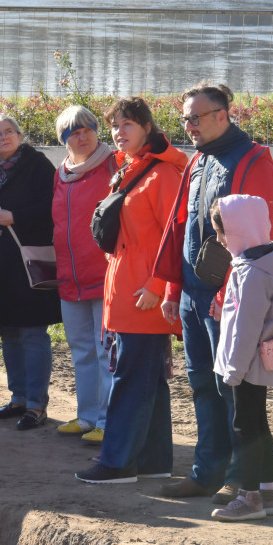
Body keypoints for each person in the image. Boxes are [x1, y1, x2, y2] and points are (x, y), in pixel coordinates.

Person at [155, 82, 273, 503]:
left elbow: (256, 237)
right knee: (201, 383)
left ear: (222, 115)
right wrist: (173, 285)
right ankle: (205, 472)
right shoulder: (198, 160)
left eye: (196, 117)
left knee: (233, 388)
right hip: (193, 293)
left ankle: (239, 477)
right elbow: (181, 226)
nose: (188, 125)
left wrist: (228, 291)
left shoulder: (253, 160)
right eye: (185, 118)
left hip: (227, 294)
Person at [76, 96, 187, 484]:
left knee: (129, 378)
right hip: (128, 289)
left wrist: (158, 286)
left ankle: (117, 462)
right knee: (148, 380)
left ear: (147, 127)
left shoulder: (163, 174)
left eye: (126, 125)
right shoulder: (132, 168)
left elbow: (177, 237)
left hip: (144, 295)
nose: (118, 133)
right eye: (114, 126)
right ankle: (154, 461)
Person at [0, 113, 61, 428]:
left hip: (28, 264)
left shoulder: (39, 166)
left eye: (9, 131)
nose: (4, 137)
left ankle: (37, 405)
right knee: (9, 332)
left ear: (20, 135)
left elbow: (55, 206)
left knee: (33, 332)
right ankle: (18, 398)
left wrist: (18, 216)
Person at [208, 195, 273, 521]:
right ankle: (268, 493)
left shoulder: (253, 273)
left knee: (245, 427)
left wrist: (233, 371)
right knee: (259, 425)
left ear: (239, 230)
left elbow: (246, 328)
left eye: (222, 232)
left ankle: (250, 496)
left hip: (247, 365)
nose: (219, 240)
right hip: (255, 362)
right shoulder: (255, 263)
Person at [51, 105, 116, 444]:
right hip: (70, 277)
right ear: (64, 140)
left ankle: (107, 420)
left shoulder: (114, 163)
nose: (83, 135)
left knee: (106, 350)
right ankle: (87, 416)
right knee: (81, 350)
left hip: (106, 275)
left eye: (88, 128)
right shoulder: (60, 173)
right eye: (74, 132)